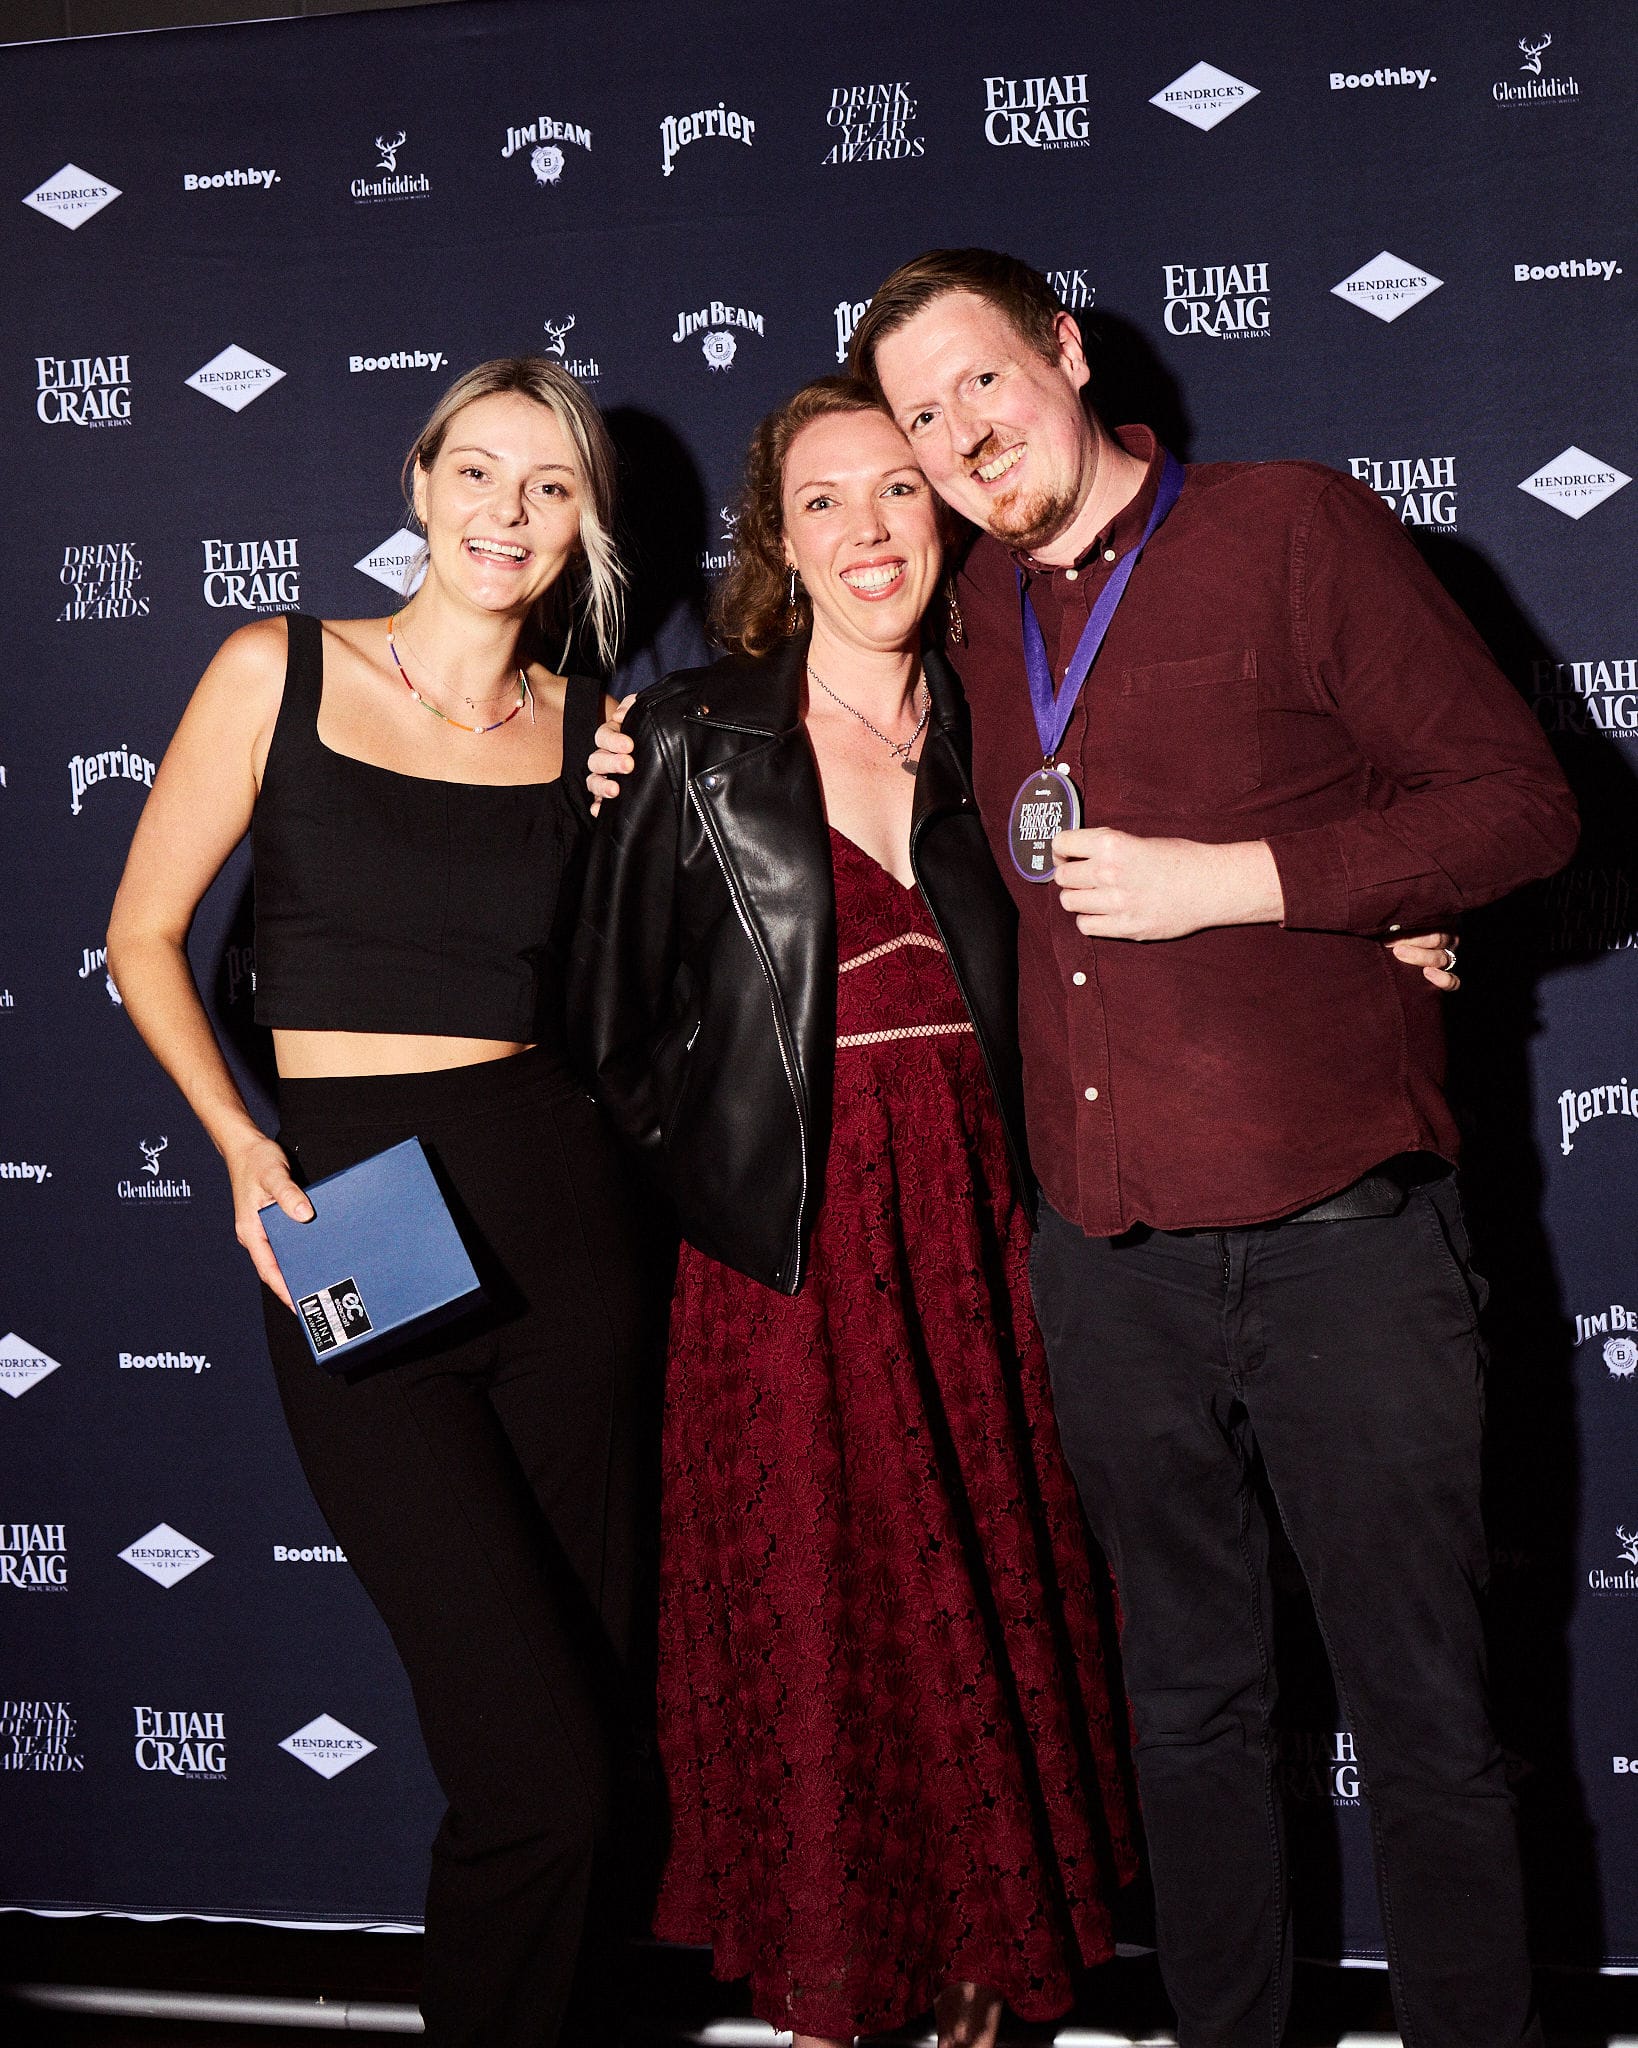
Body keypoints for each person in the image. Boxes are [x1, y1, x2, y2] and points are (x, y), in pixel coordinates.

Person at [829, 250, 1580, 2048]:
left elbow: (1520, 805)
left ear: (1064, 353)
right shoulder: (969, 613)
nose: (960, 436)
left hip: (1346, 1241)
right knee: (1184, 1714)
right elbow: (816, 719)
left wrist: (1244, 884)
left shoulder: (1288, 530)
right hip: (1107, 1261)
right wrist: (623, 753)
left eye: (981, 381)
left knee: (1426, 1716)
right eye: (922, 416)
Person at [570, 376, 1140, 2048]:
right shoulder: (688, 736)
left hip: (982, 1238)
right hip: (788, 1258)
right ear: (778, 539)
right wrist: (739, 1187)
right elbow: (609, 1033)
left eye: (897, 487)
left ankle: (978, 1972)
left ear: (946, 512)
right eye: (821, 500)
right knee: (828, 1615)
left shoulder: (1005, 721)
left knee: (983, 1597)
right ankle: (835, 1987)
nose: (866, 529)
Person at [106, 359, 652, 2048]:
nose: (506, 511)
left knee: (598, 1737)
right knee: (537, 1769)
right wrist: (239, 1143)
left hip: (568, 1230)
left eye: (549, 485)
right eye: (476, 470)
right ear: (418, 483)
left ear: (584, 524)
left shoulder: (594, 733)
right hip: (352, 1216)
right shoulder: (275, 668)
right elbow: (141, 936)